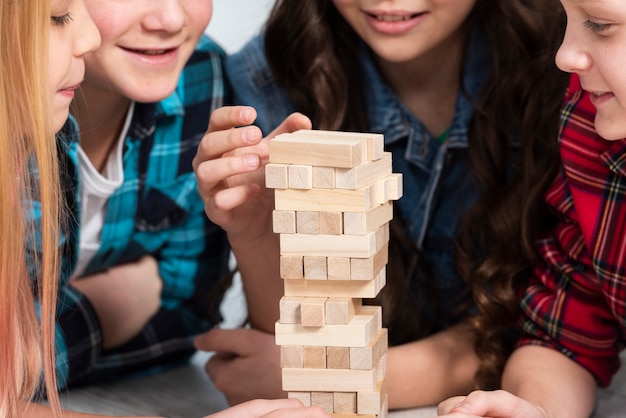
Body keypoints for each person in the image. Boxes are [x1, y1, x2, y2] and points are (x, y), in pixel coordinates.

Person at [192, 0, 570, 410]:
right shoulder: (272, 70)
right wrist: (253, 230)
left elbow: (560, 321)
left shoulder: (568, 58)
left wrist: (360, 376)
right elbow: (294, 341)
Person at [436, 0, 626, 416]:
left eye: (600, 24)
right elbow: (567, 332)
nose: (564, 56)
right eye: (569, 20)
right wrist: (537, 408)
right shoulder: (590, 120)